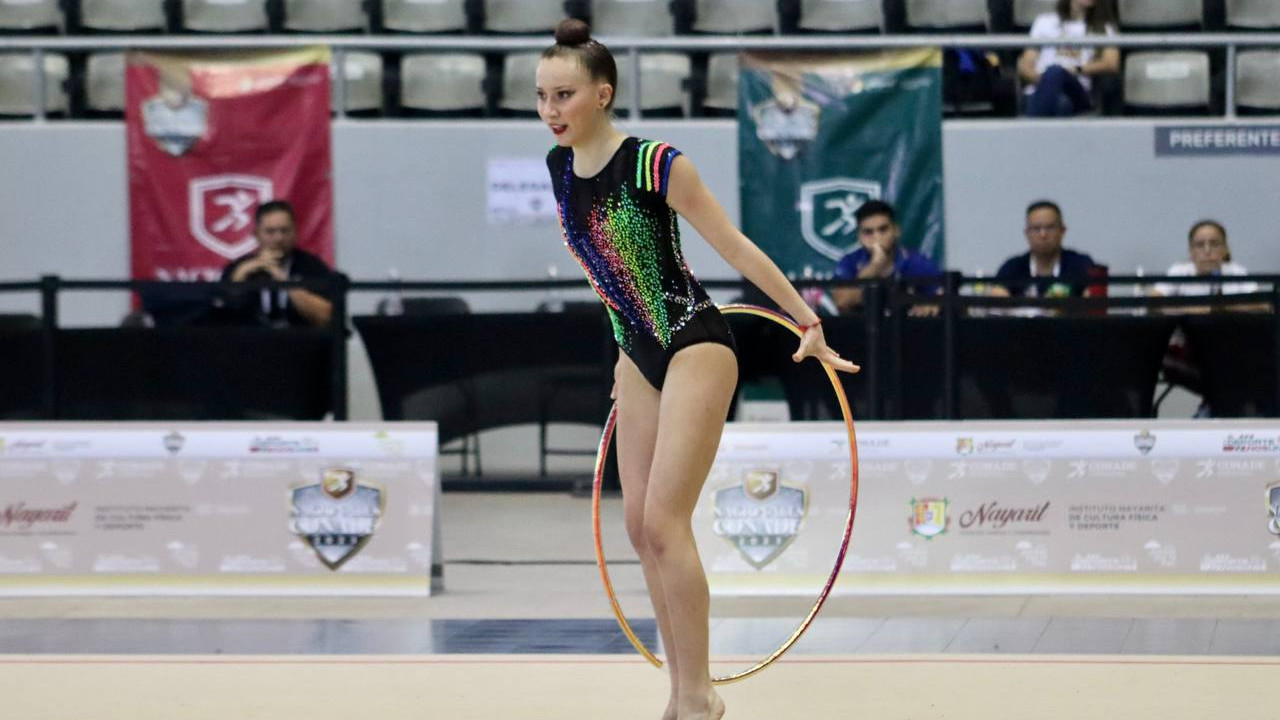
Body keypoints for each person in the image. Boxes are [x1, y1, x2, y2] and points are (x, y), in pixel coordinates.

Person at [539, 19, 858, 720]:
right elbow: (607, 275)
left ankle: (697, 696)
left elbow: (734, 246)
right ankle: (685, 692)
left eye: (564, 95)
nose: (551, 110)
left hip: (693, 341)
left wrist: (807, 320)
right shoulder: (558, 168)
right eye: (541, 96)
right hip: (636, 351)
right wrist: (624, 353)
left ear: (602, 93)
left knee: (664, 520)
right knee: (638, 529)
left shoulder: (654, 162)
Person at [219, 200, 335, 328]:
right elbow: (224, 313)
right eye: (270, 231)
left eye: (285, 231)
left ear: (295, 232)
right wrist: (242, 273)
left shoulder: (311, 265)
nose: (279, 238)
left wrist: (284, 281)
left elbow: (327, 317)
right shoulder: (239, 267)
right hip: (251, 338)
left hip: (300, 337)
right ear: (256, 234)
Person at [830, 200, 942, 316]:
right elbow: (841, 302)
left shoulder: (915, 262)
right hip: (862, 327)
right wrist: (874, 267)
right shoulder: (850, 262)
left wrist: (931, 304)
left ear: (896, 230)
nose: (877, 237)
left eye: (883, 229)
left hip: (904, 326)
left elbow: (944, 296)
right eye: (868, 232)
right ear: (859, 236)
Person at [1017, 0, 1120, 117]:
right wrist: (1047, 81)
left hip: (1076, 91)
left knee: (1056, 71)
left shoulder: (1105, 28)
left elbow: (1111, 63)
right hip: (1037, 89)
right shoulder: (1044, 21)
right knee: (1061, 103)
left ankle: (1028, 127)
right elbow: (1025, 66)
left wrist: (1077, 69)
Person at [992, 200, 1098, 298]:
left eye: (1050, 227)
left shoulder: (1080, 264)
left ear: (1063, 231)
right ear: (1027, 233)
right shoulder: (1012, 267)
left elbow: (1093, 302)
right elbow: (997, 299)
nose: (1043, 234)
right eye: (1036, 228)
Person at [1151, 220, 1264, 308]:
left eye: (1214, 244)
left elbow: (1262, 304)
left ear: (1225, 249)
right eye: (1200, 245)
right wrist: (1191, 309)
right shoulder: (1180, 271)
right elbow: (1153, 301)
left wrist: (1223, 308)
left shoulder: (1236, 271)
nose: (1207, 251)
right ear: (1191, 251)